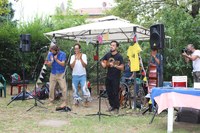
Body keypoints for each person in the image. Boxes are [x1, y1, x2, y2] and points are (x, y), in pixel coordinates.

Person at [101, 40, 124, 113]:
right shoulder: (108, 55)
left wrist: (115, 65)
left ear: (116, 47)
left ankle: (116, 107)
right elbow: (102, 60)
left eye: (113, 45)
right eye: (111, 45)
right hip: (108, 76)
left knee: (115, 92)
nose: (111, 46)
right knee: (109, 92)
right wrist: (104, 64)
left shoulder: (119, 56)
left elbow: (122, 67)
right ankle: (112, 106)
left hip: (116, 77)